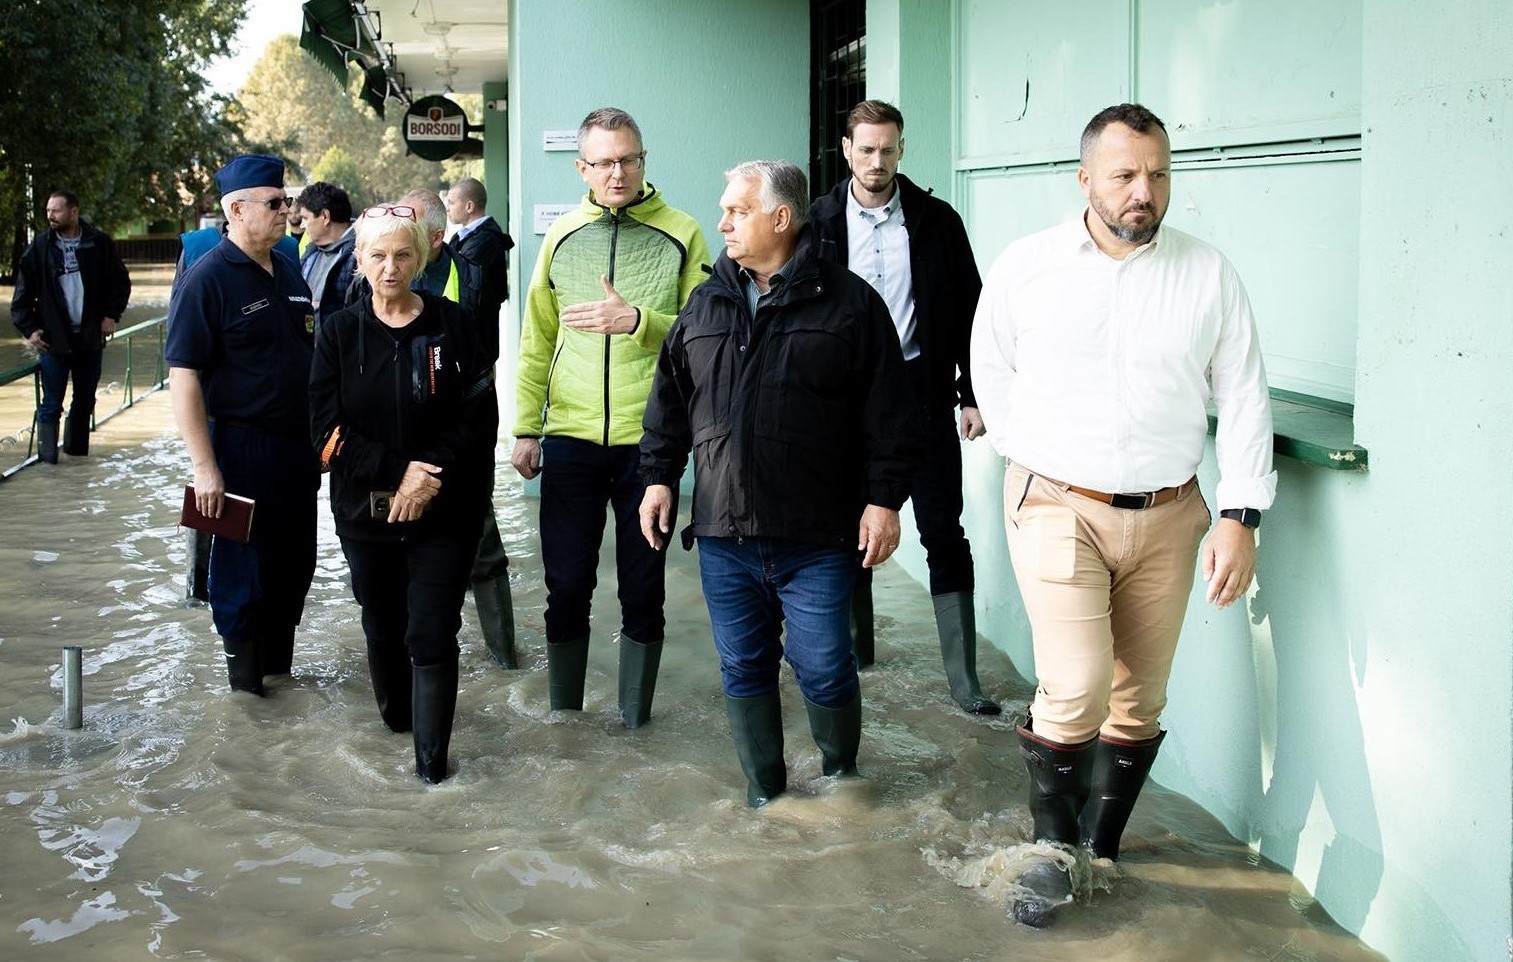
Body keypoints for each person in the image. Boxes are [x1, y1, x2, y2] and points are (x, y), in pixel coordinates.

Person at [969, 103, 1276, 926]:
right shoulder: (1028, 265)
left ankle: (1100, 848)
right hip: (1056, 503)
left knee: (1140, 697)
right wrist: (1027, 456)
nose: (1144, 192)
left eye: (1158, 175)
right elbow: (989, 364)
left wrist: (1238, 515)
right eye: (1125, 176)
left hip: (1172, 512)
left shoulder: (1207, 273)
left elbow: (1244, 399)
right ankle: (1048, 854)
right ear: (1085, 180)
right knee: (1075, 682)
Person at [638, 160, 923, 806]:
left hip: (818, 536)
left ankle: (841, 783)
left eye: (737, 211)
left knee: (824, 666)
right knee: (743, 668)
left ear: (780, 218)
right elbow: (670, 400)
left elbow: (891, 415)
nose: (722, 223)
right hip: (722, 533)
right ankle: (766, 801)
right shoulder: (706, 300)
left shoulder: (849, 305)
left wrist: (883, 501)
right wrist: (657, 479)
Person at [513, 107, 711, 728]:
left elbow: (707, 334)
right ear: (583, 168)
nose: (618, 172)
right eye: (604, 162)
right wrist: (525, 427)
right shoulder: (562, 235)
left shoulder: (683, 233)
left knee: (642, 592)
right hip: (569, 436)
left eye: (629, 159)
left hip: (648, 445)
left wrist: (638, 323)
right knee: (566, 587)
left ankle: (634, 726)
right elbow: (537, 336)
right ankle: (564, 723)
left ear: (644, 160)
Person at [811, 100, 1000, 716]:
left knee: (943, 529)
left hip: (922, 392)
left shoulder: (936, 220)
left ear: (901, 149)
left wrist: (972, 393)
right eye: (866, 149)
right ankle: (856, 658)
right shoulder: (818, 223)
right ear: (846, 149)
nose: (877, 161)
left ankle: (964, 682)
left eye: (888, 149)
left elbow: (973, 313)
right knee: (846, 532)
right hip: (843, 404)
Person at [310, 202, 496, 783]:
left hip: (446, 508)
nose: (390, 268)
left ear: (421, 256)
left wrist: (428, 472)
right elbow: (325, 431)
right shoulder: (338, 332)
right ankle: (397, 722)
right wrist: (397, 473)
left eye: (402, 255)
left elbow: (479, 416)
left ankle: (432, 771)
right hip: (365, 511)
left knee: (432, 629)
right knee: (383, 624)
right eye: (377, 256)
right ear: (359, 261)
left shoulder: (454, 323)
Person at [165, 155, 319, 696]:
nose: (288, 212)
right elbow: (182, 375)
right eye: (275, 203)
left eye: (287, 201)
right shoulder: (207, 280)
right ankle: (246, 697)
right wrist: (204, 468)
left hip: (296, 451)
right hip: (237, 448)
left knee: (295, 561)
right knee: (241, 572)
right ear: (235, 209)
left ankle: (279, 684)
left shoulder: (290, 266)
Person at [379, 187, 518, 669]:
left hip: (458, 448)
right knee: (393, 559)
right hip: (393, 452)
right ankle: (404, 660)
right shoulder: (379, 276)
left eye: (408, 226)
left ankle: (504, 662)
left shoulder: (473, 277)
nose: (395, 243)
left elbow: (485, 370)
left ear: (434, 237)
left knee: (483, 550)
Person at [10, 189, 131, 462]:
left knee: (85, 400)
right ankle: (48, 466)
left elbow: (120, 283)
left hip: (90, 338)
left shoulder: (98, 243)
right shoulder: (39, 248)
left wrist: (111, 315)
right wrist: (30, 329)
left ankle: (76, 464)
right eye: (48, 210)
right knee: (51, 404)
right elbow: (20, 299)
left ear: (73, 212)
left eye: (56, 210)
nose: (50, 215)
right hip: (53, 341)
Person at [445, 176, 515, 347]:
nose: (447, 209)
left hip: (479, 335)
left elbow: (457, 270)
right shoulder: (463, 237)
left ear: (469, 206)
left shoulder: (485, 239)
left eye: (452, 203)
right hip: (468, 329)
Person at [296, 182, 356, 327]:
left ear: (325, 216)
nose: (302, 225)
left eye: (305, 218)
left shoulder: (360, 255)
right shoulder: (310, 253)